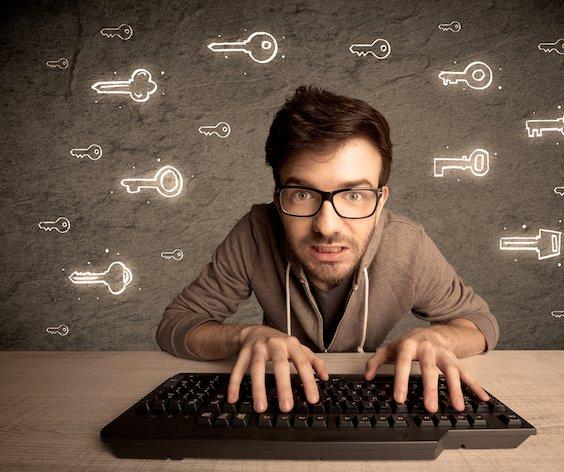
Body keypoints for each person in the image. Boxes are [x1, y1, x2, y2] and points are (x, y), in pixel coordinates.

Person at [156, 85, 499, 415]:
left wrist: (440, 338)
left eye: (354, 195)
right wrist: (245, 336)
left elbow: (480, 324)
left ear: (381, 202)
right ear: (278, 199)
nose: (327, 225)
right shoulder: (256, 233)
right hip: (277, 402)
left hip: (369, 404)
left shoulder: (408, 245)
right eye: (303, 194)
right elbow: (177, 325)